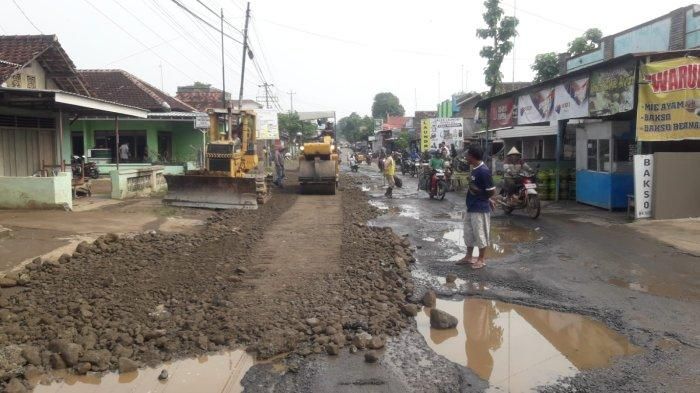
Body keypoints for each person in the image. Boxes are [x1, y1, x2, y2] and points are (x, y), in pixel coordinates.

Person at [456, 145, 495, 269]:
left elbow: (491, 190)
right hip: (471, 206)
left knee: (480, 234)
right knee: (468, 232)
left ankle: (481, 259)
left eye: (467, 155)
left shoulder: (483, 171)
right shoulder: (474, 168)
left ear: (472, 156)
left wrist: (486, 199)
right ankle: (468, 256)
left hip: (480, 208)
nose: (466, 157)